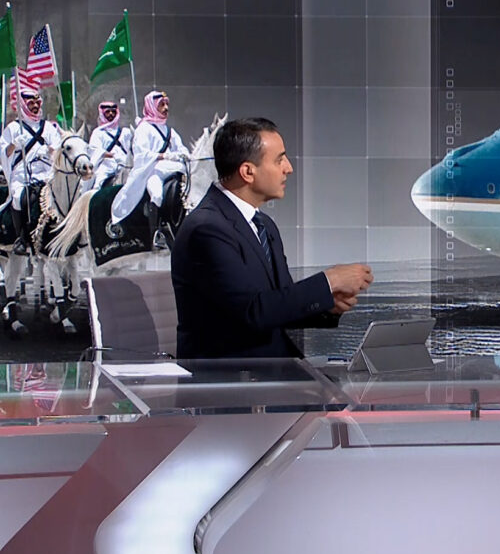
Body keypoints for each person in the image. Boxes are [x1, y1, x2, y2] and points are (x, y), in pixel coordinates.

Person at [171, 117, 373, 359]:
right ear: (248, 172)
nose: (289, 168)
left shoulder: (264, 225)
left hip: (273, 368)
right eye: (279, 160)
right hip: (231, 374)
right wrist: (330, 280)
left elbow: (278, 304)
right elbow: (252, 312)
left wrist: (327, 303)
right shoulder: (206, 230)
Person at [110, 90, 189, 247]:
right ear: (152, 107)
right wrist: (164, 156)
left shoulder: (169, 131)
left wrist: (183, 154)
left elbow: (181, 148)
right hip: (153, 170)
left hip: (174, 169)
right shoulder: (144, 129)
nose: (166, 108)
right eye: (162, 105)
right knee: (157, 194)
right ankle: (157, 233)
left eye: (166, 104)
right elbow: (141, 154)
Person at [0, 88, 63, 252]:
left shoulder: (48, 127)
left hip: (46, 173)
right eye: (31, 103)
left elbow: (58, 148)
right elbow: (4, 153)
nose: (35, 106)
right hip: (23, 175)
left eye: (37, 103)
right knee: (18, 199)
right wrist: (14, 144)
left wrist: (48, 150)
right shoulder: (13, 128)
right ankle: (21, 238)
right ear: (23, 105)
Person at [85, 101, 132, 190]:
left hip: (123, 163)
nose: (111, 114)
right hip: (106, 165)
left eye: (113, 112)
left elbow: (129, 149)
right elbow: (94, 149)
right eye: (107, 112)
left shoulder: (125, 132)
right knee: (98, 183)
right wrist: (110, 155)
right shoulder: (98, 133)